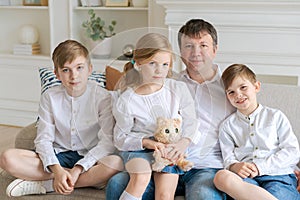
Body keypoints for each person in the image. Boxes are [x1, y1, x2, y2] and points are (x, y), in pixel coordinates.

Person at [107, 19, 236, 200]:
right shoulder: (169, 83)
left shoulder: (232, 87)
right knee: (116, 184)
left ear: (214, 50)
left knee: (203, 195)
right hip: (157, 159)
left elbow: (252, 122)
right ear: (180, 53)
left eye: (203, 45)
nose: (196, 52)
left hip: (204, 166)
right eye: (189, 46)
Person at [0, 39, 123, 197]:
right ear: (57, 73)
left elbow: (107, 143)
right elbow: (43, 139)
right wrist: (57, 170)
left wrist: (79, 168)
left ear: (89, 69)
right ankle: (80, 180)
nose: (74, 76)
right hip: (59, 155)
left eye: (79, 68)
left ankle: (46, 184)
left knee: (116, 163)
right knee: (7, 158)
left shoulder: (103, 97)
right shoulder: (49, 97)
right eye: (66, 70)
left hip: (90, 158)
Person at [112, 32, 200, 200]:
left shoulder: (178, 89)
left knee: (165, 194)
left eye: (165, 64)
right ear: (138, 63)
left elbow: (192, 122)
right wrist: (147, 142)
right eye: (152, 63)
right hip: (138, 149)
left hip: (168, 149)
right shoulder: (127, 99)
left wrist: (182, 144)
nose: (160, 70)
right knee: (141, 177)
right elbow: (120, 137)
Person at [214, 63, 300, 200]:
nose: (238, 95)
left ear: (256, 86)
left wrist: (260, 167)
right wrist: (235, 166)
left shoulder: (275, 116)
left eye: (243, 87)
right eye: (231, 92)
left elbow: (292, 151)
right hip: (246, 180)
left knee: (279, 194)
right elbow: (228, 158)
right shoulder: (227, 126)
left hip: (278, 176)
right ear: (227, 96)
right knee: (222, 177)